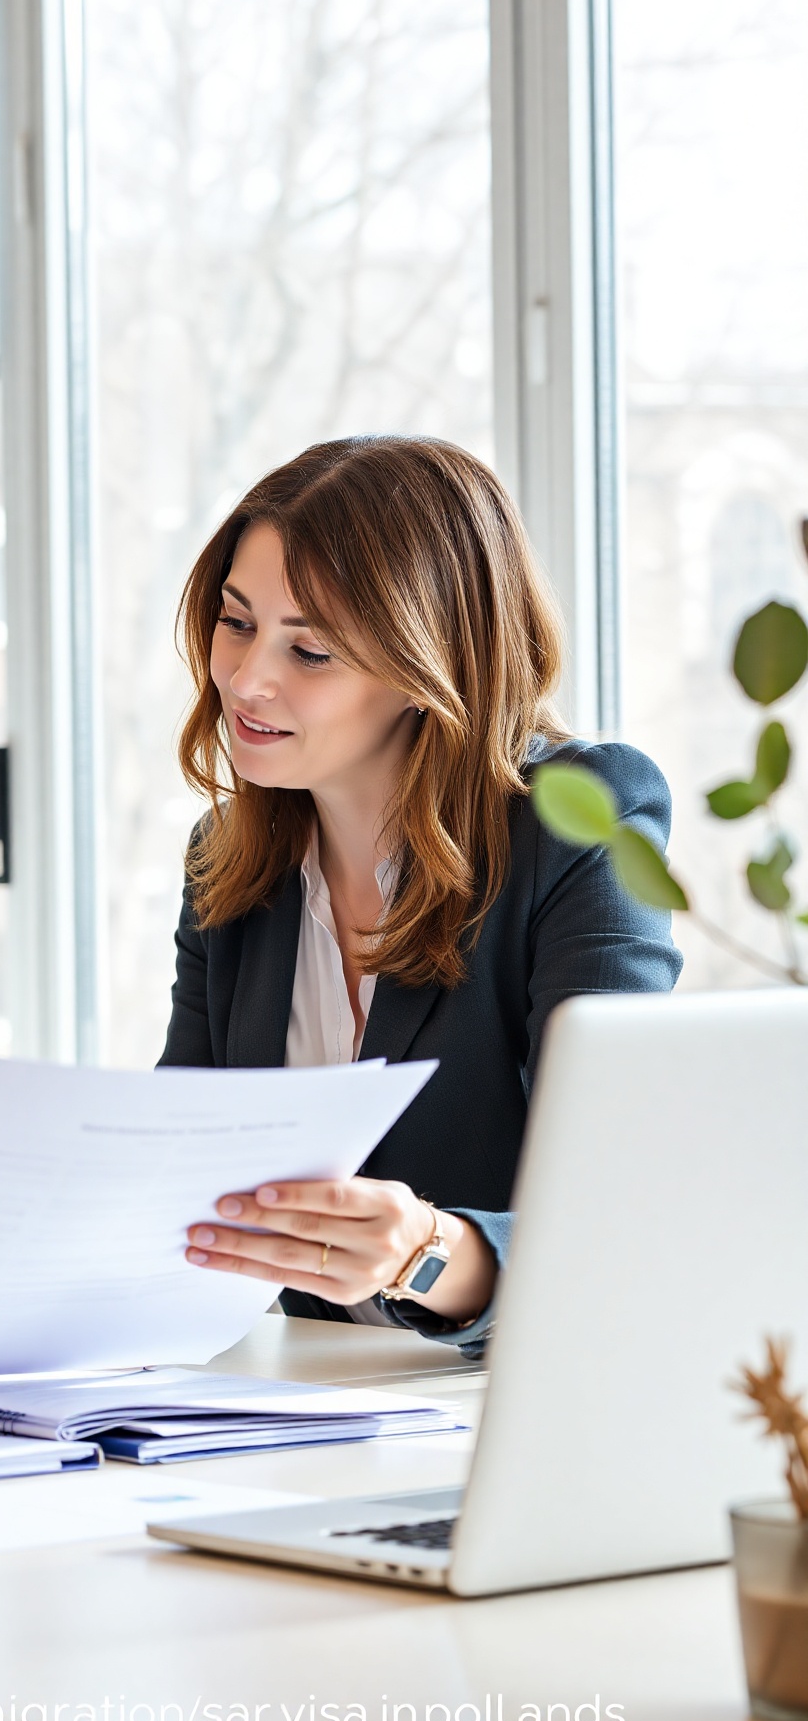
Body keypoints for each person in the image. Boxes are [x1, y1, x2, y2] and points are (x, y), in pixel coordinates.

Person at [160, 435, 681, 1349]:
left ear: (425, 666)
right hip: (299, 1401)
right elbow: (183, 1166)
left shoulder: (575, 828)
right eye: (237, 622)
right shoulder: (229, 862)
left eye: (310, 649)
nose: (247, 679)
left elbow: (627, 1200)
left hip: (519, 1405)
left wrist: (426, 1253)